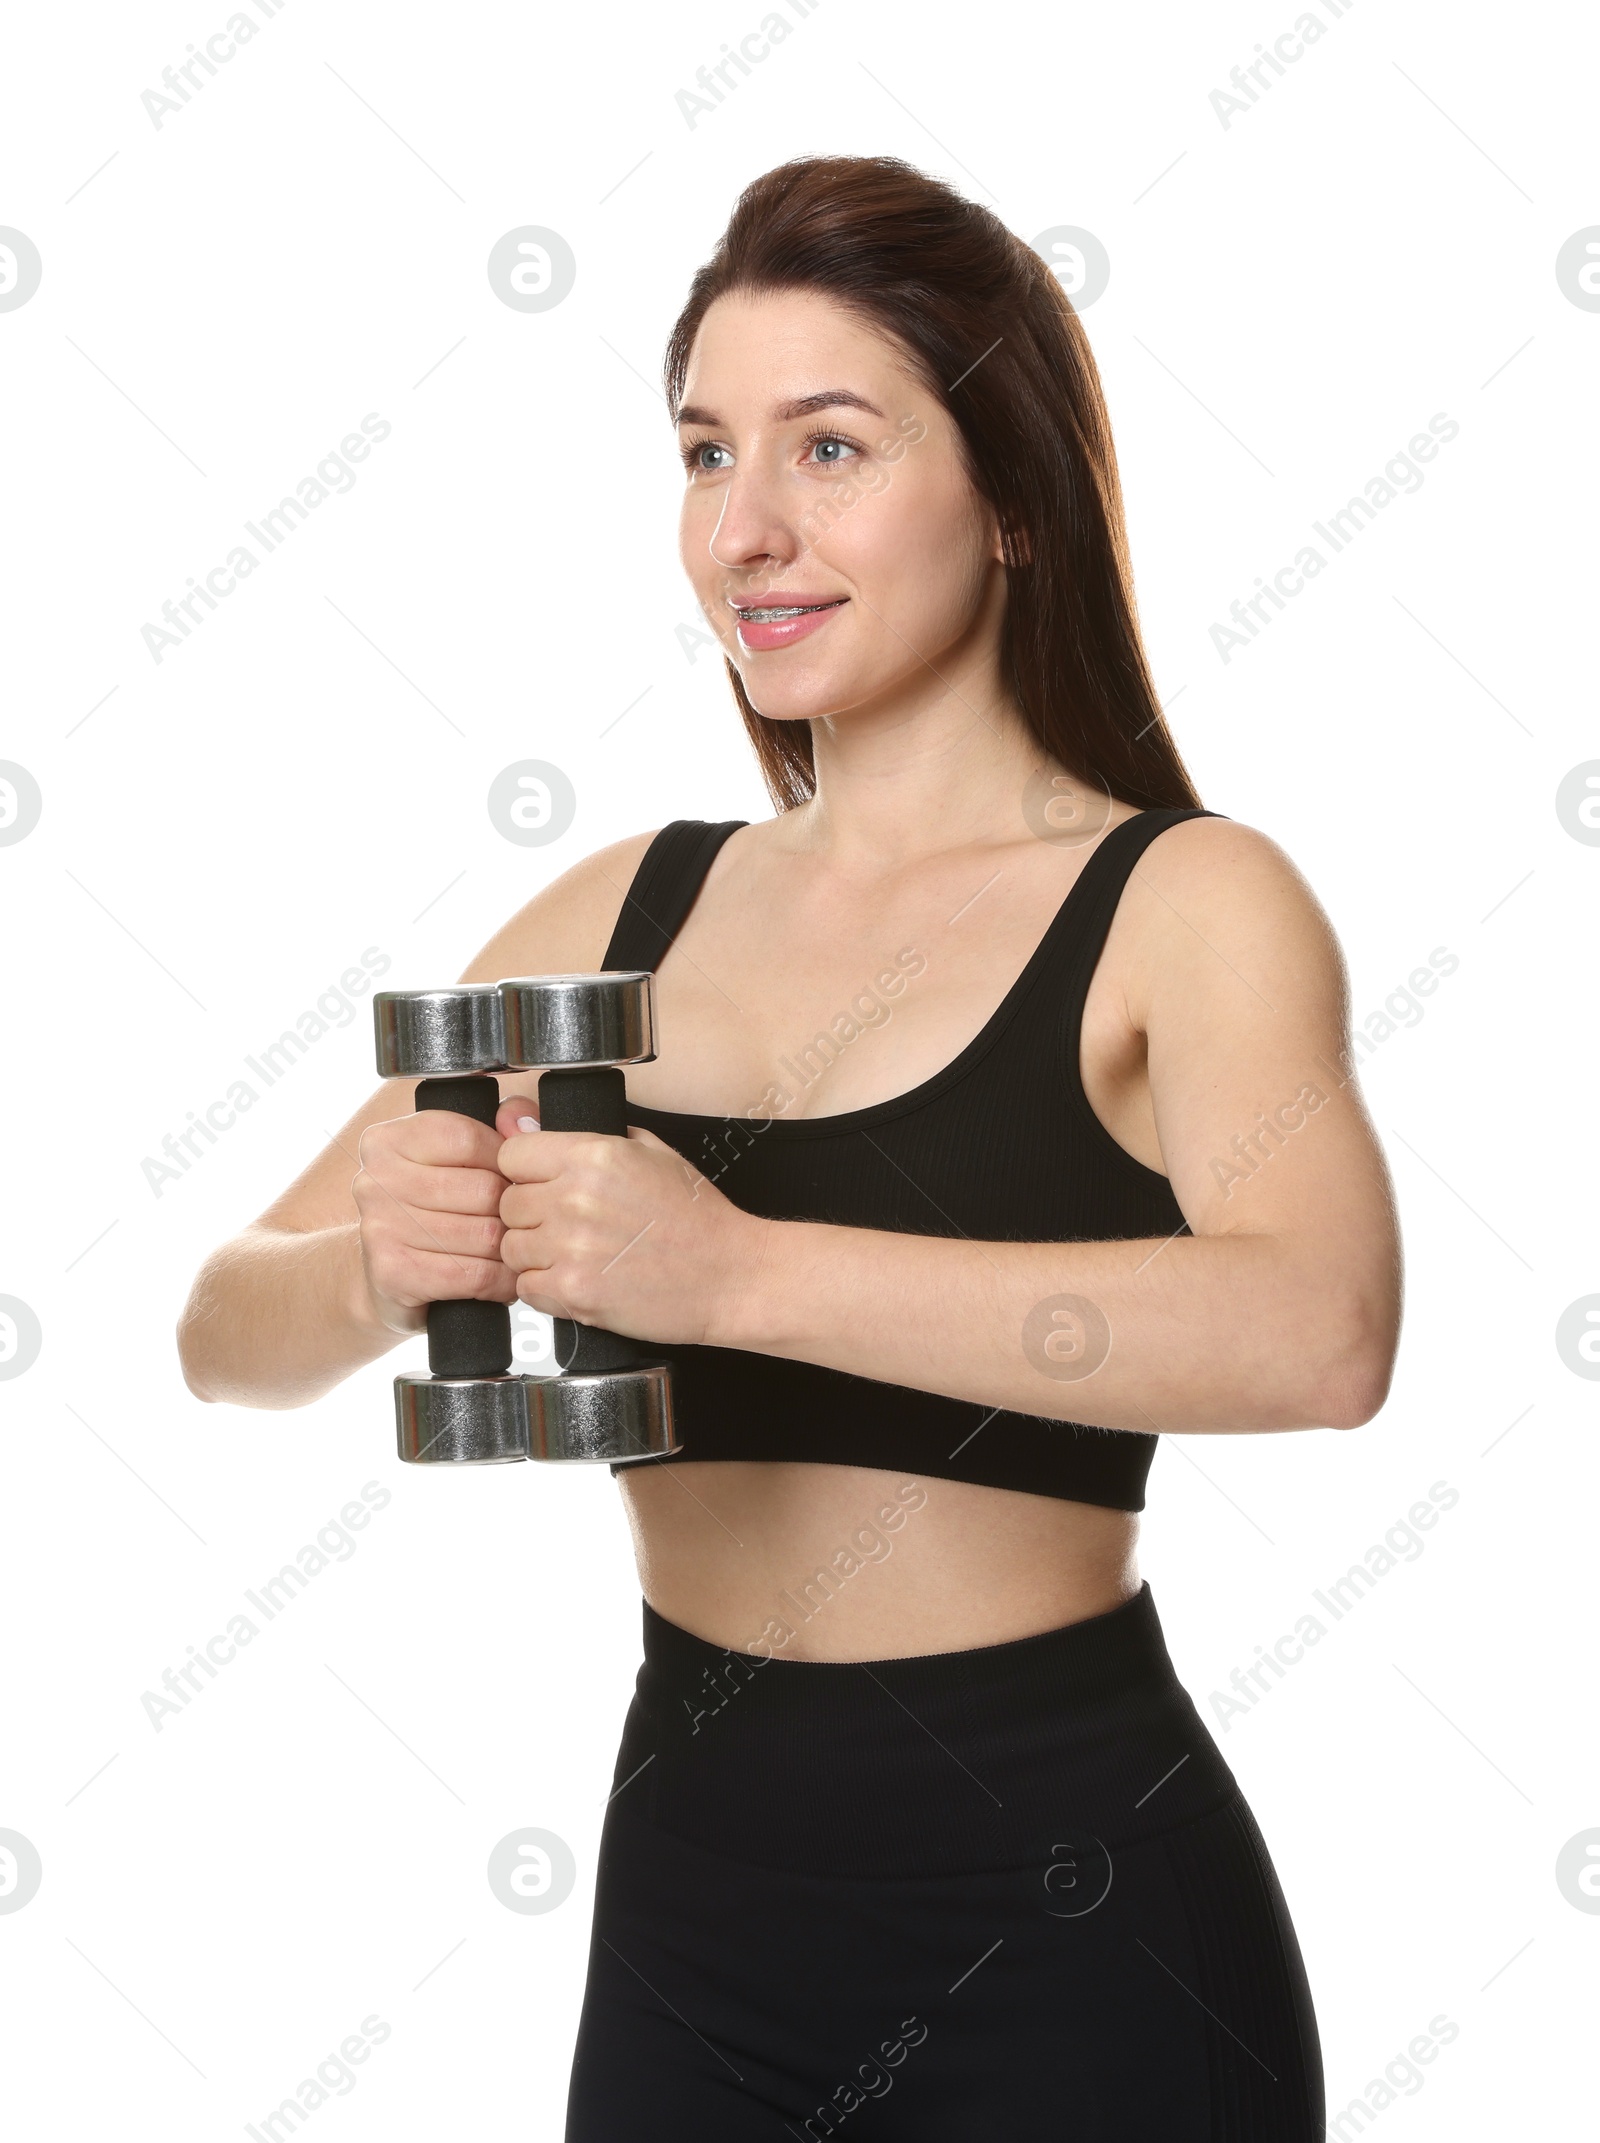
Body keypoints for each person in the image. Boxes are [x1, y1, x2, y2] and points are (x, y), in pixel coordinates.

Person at [180, 154, 1401, 2139]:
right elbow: (220, 1332)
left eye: (828, 448)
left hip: (1074, 1934)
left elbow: (1317, 1333)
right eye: (701, 453)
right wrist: (371, 1264)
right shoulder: (622, 906)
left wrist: (727, 1271)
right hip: (692, 1918)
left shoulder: (1184, 902)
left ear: (1009, 497)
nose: (743, 528)